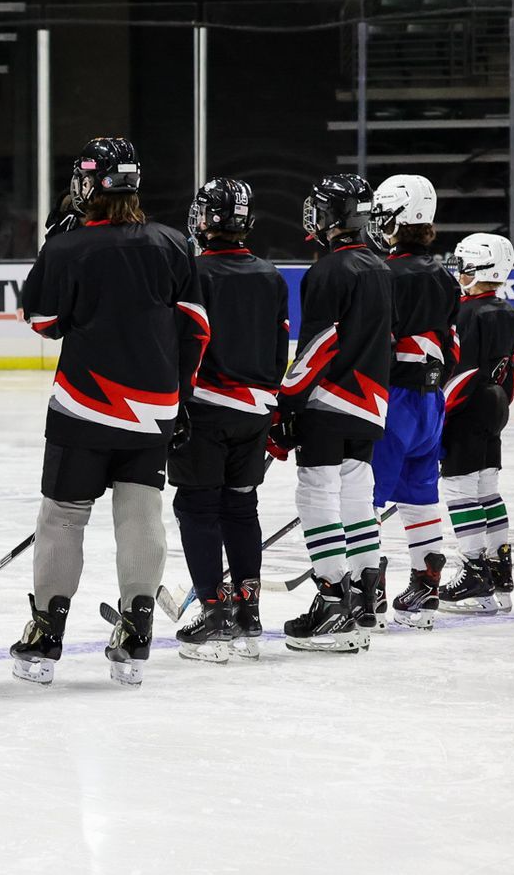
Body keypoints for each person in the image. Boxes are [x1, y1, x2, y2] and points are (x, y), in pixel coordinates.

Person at [8, 138, 206, 688]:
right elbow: (196, 326)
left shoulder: (69, 247)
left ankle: (46, 632)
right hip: (152, 411)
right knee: (141, 514)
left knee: (64, 516)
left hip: (82, 407)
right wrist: (180, 395)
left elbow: (43, 320)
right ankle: (137, 631)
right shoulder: (172, 243)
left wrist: (56, 246)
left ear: (89, 186)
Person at [271, 174, 393, 654]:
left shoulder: (327, 271)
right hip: (369, 403)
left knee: (318, 494)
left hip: (329, 402)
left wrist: (286, 401)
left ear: (332, 217)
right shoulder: (380, 268)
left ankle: (331, 604)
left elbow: (320, 345)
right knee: (358, 492)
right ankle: (365, 596)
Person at [168, 178, 287, 663]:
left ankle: (215, 612)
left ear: (203, 219)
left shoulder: (195, 274)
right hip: (256, 413)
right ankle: (249, 610)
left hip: (207, 410)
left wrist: (174, 405)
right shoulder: (271, 275)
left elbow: (184, 344)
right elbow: (280, 348)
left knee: (196, 507)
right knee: (241, 507)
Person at [367, 175, 460, 629]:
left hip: (393, 402)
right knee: (420, 498)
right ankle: (425, 588)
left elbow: (376, 345)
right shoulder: (445, 275)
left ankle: (369, 594)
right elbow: (454, 347)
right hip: (431, 403)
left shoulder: (384, 272)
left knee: (362, 497)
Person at [438, 233, 514, 615]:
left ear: (478, 268)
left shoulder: (469, 312)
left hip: (468, 406)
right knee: (487, 486)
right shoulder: (508, 311)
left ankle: (473, 572)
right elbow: (512, 372)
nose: (459, 273)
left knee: (460, 487)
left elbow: (462, 371)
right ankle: (498, 568)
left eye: (463, 266)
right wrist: (499, 404)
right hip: (494, 405)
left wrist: (438, 414)